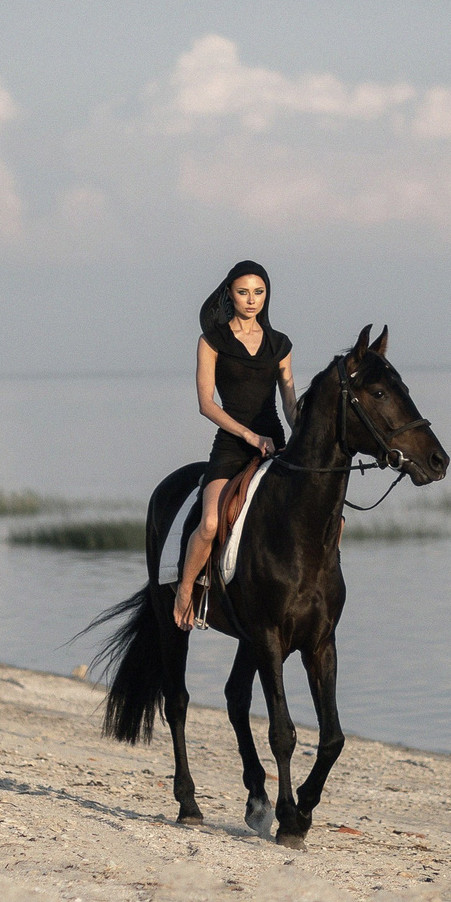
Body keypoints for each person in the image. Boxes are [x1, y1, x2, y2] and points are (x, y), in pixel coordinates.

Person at [174, 260, 296, 630]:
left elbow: (290, 404)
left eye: (259, 292)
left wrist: (304, 433)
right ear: (229, 293)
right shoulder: (212, 340)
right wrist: (247, 435)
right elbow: (205, 403)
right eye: (243, 292)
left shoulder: (280, 344)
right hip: (231, 446)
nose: (251, 299)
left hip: (275, 445)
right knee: (210, 523)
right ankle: (184, 590)